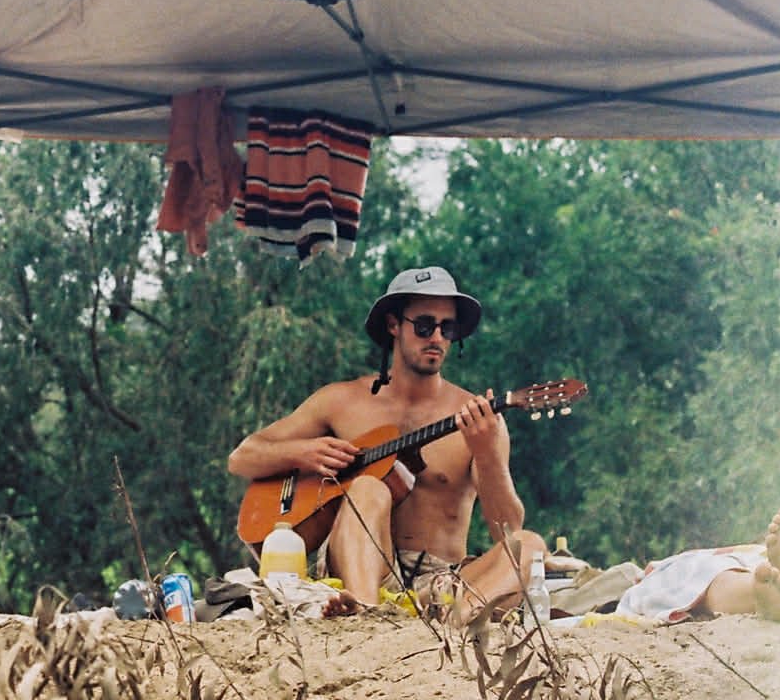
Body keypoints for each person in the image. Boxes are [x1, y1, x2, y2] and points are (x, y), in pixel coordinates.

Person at [227, 266, 545, 622]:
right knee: (367, 488)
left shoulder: (479, 419)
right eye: (424, 325)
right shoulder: (341, 400)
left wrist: (487, 454)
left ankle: (452, 627)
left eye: (447, 328)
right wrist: (304, 452)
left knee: (530, 546)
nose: (437, 337)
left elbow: (508, 530)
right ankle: (368, 616)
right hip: (357, 574)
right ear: (394, 325)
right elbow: (242, 458)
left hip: (440, 581)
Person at [614, 501, 780, 623]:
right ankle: (772, 587)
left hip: (713, 570)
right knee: (727, 575)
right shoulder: (746, 555)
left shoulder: (722, 555)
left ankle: (759, 593)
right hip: (738, 568)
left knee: (718, 578)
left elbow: (655, 568)